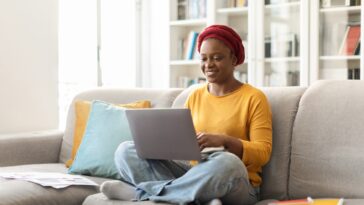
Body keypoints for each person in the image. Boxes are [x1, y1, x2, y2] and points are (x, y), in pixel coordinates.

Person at [100, 25, 272, 205]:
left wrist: (224, 141)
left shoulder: (254, 98)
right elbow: (184, 149)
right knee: (125, 150)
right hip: (195, 173)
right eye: (204, 58)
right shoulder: (195, 96)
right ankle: (194, 197)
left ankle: (142, 193)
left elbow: (263, 152)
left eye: (217, 58)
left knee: (228, 162)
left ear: (234, 59)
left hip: (237, 182)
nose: (209, 64)